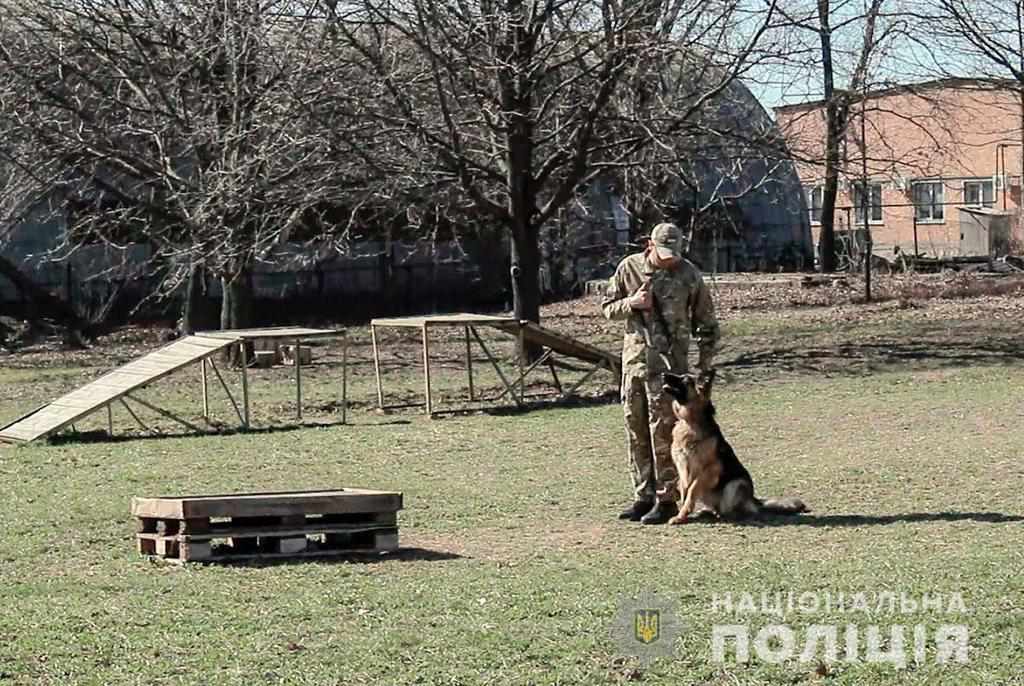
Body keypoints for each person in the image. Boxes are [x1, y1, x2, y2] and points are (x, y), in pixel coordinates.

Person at [601, 222, 720, 524]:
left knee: (664, 434)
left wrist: (705, 367)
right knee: (636, 429)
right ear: (649, 245)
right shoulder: (629, 268)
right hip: (635, 365)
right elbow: (607, 308)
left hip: (669, 372)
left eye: (675, 253)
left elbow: (707, 325)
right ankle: (643, 495)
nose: (670, 259)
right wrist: (632, 303)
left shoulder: (689, 275)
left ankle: (668, 497)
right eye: (664, 253)